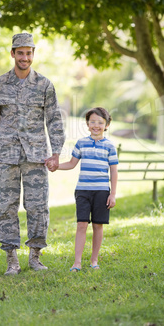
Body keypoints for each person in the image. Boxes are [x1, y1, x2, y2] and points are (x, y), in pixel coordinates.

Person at [0, 33, 65, 275]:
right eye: (20, 52)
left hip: (37, 156)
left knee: (38, 207)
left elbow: (54, 120)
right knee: (5, 207)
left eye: (29, 52)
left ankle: (35, 257)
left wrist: (56, 151)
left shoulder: (45, 85)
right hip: (6, 156)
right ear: (12, 53)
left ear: (33, 54)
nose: (25, 57)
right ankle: (11, 259)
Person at [47, 107, 118, 271]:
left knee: (98, 225)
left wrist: (112, 194)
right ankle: (76, 262)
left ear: (106, 125)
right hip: (83, 191)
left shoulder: (109, 146)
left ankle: (94, 261)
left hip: (101, 191)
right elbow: (72, 164)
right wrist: (56, 166)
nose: (96, 125)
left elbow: (114, 171)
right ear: (87, 124)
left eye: (100, 122)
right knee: (81, 224)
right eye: (92, 121)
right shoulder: (81, 143)